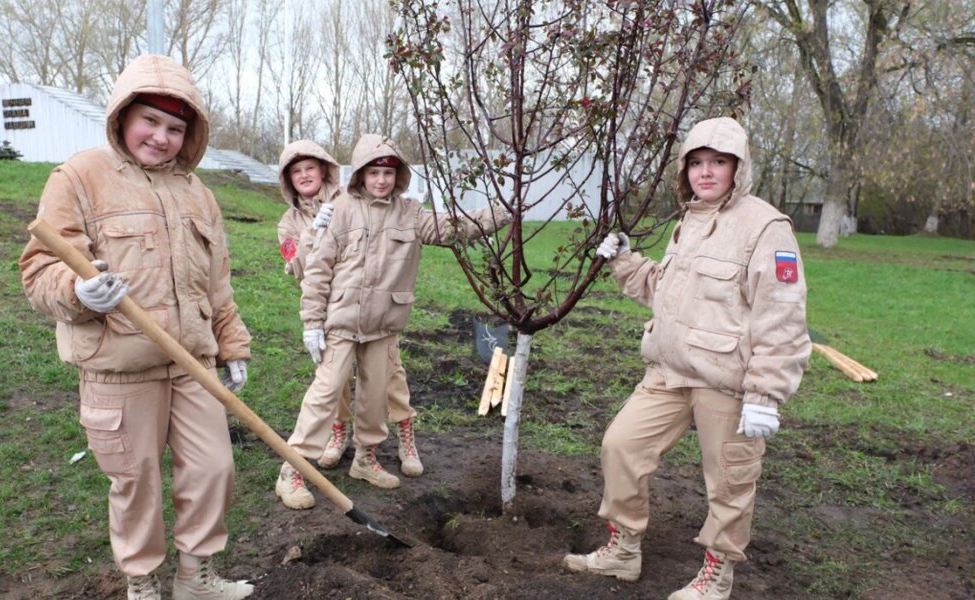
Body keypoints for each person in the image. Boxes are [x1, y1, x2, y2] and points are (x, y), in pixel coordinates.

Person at [19, 55, 254, 600]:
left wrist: (232, 344)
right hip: (118, 366)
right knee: (135, 484)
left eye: (176, 128)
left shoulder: (199, 194)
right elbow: (38, 270)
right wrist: (77, 293)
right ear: (123, 115)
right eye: (150, 120)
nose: (162, 137)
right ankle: (142, 583)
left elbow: (217, 282)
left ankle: (196, 579)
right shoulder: (79, 177)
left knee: (214, 470)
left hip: (192, 361)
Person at [563, 117, 810, 600]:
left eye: (718, 162)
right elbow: (666, 291)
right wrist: (625, 261)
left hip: (729, 381)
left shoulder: (766, 227)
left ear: (739, 167)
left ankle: (717, 575)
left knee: (729, 483)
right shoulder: (690, 221)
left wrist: (766, 392)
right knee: (621, 446)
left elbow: (782, 315)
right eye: (696, 162)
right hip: (670, 370)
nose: (706, 172)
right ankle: (623, 549)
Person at [275, 134, 511, 507]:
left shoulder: (411, 213)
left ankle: (365, 459)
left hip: (384, 323)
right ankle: (293, 469)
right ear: (360, 175)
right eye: (373, 172)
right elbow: (314, 270)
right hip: (342, 319)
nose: (381, 180)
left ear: (398, 175)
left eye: (388, 172)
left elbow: (452, 227)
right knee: (326, 393)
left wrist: (501, 213)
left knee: (374, 398)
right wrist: (312, 322)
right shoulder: (341, 210)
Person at [274, 141, 422, 513]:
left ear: (326, 170)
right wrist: (313, 235)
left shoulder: (352, 197)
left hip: (379, 316)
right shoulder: (290, 223)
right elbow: (304, 269)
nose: (305, 175)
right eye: (297, 171)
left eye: (311, 167)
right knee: (329, 389)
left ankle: (369, 454)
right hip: (333, 314)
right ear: (289, 180)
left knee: (383, 386)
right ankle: (305, 460)